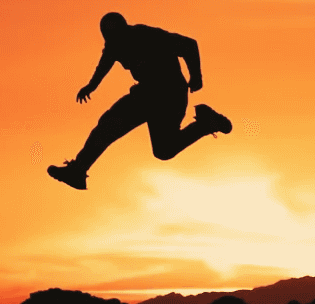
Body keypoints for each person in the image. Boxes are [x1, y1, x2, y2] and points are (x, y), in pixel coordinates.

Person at [48, 12, 231, 190]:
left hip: (169, 94)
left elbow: (189, 45)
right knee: (142, 141)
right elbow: (104, 64)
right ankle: (78, 170)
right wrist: (91, 86)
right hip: (149, 94)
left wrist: (196, 77)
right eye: (110, 39)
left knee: (146, 143)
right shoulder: (113, 46)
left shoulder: (146, 35)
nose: (115, 43)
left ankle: (206, 125)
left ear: (125, 30)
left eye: (117, 37)